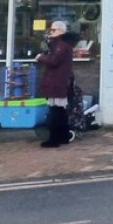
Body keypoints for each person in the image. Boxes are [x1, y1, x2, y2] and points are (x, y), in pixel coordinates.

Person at [36, 20, 78, 148]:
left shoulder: (61, 45)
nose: (51, 32)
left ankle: (54, 139)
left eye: (53, 30)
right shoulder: (63, 44)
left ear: (60, 31)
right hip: (59, 81)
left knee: (55, 110)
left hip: (56, 81)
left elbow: (54, 61)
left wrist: (41, 57)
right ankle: (63, 136)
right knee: (59, 110)